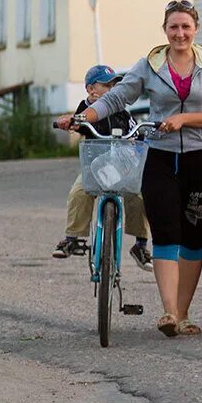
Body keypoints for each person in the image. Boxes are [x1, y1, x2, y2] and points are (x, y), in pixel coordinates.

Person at [57, 0, 202, 338]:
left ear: (196, 28)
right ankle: (168, 312)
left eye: (186, 27)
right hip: (159, 157)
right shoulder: (149, 65)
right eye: (173, 27)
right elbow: (116, 98)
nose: (180, 33)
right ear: (165, 30)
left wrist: (185, 119)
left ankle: (183, 313)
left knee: (193, 238)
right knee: (166, 231)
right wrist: (81, 117)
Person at [52, 65, 153, 272]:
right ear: (91, 90)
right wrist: (68, 122)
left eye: (115, 84)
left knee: (139, 194)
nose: (113, 88)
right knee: (79, 192)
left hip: (121, 169)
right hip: (93, 169)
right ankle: (72, 238)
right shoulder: (84, 111)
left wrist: (142, 136)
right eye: (107, 85)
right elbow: (75, 122)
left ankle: (141, 245)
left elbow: (135, 130)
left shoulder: (121, 111)